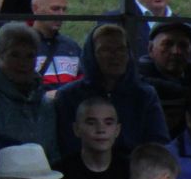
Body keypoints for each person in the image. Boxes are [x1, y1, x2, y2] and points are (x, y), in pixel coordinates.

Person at [54, 24, 165, 157]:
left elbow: (159, 144)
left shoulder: (145, 95)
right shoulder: (69, 96)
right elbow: (66, 145)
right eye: (106, 50)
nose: (115, 56)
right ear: (92, 55)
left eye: (121, 49)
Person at [0, 23, 52, 159]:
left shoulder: (44, 103)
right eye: (14, 55)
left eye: (30, 56)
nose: (23, 63)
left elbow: (53, 151)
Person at [137, 19, 191, 114]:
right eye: (167, 44)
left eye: (183, 45)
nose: (176, 51)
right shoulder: (140, 72)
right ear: (151, 49)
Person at [28, 0, 78, 88]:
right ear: (35, 8)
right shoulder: (23, 46)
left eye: (64, 9)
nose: (61, 14)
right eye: (55, 9)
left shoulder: (72, 47)